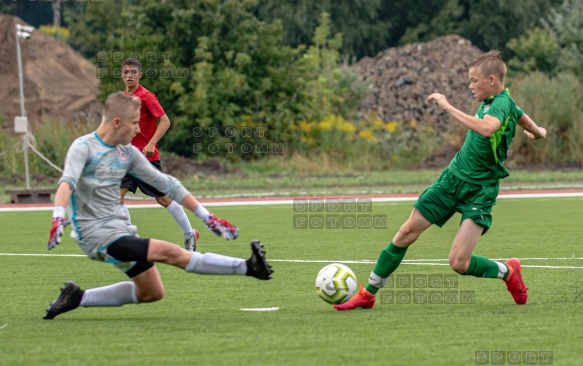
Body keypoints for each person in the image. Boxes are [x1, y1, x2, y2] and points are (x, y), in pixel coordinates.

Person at [335, 50, 547, 311]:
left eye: (474, 81)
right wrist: (537, 132)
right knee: (406, 232)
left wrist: (447, 106)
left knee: (459, 262)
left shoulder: (501, 104)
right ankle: (368, 293)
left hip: (480, 190)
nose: (470, 86)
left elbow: (487, 128)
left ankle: (508, 272)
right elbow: (527, 122)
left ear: (492, 80)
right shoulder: (502, 103)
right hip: (452, 179)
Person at [43, 92, 273, 320]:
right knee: (170, 252)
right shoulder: (83, 147)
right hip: (96, 235)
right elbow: (67, 182)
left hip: (121, 232)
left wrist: (206, 216)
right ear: (116, 122)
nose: (138, 129)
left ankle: (77, 297)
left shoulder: (127, 153)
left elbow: (167, 184)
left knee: (152, 292)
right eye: (134, 123)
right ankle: (248, 267)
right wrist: (57, 217)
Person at [118, 58, 199, 251]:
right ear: (121, 74)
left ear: (140, 75)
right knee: (116, 197)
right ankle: (130, 240)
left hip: (146, 159)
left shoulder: (147, 96)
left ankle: (190, 235)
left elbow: (165, 121)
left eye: (133, 72)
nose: (129, 75)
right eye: (126, 72)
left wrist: (151, 142)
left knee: (162, 199)